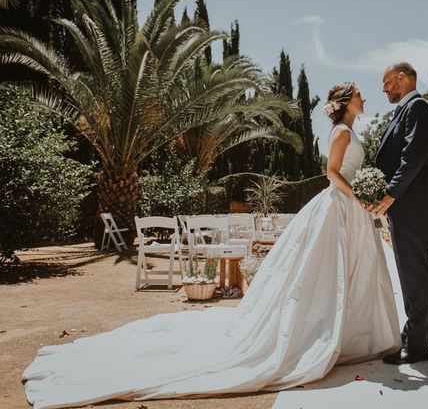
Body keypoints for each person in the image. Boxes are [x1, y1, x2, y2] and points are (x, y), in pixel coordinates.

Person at [23, 82, 401, 409]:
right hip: (340, 207)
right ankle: (325, 334)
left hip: (350, 211)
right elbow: (332, 174)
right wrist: (359, 198)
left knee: (351, 271)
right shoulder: (341, 133)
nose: (366, 98)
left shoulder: (351, 131)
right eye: (361, 94)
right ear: (347, 99)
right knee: (327, 273)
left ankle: (351, 333)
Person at [373, 62, 428, 365]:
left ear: (402, 79)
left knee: (416, 275)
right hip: (406, 207)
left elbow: (413, 157)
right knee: (410, 273)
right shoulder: (407, 110)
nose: (384, 89)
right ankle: (413, 333)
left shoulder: (419, 108)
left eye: (387, 82)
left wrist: (391, 194)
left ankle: (418, 347)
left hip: (413, 207)